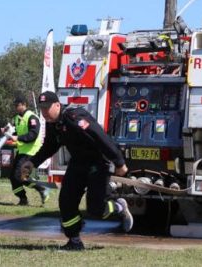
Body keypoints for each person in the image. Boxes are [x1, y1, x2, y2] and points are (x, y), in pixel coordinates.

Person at [27, 91, 133, 251]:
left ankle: (119, 207)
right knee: (66, 202)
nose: (44, 112)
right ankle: (74, 241)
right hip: (78, 163)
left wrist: (119, 162)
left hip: (98, 162)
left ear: (57, 105)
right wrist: (32, 163)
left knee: (96, 209)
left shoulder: (74, 117)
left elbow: (100, 136)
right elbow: (50, 146)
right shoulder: (53, 123)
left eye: (47, 108)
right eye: (41, 109)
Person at [7, 94, 50, 206]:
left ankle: (42, 189)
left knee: (21, 177)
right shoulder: (16, 118)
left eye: (18, 105)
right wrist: (7, 132)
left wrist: (18, 138)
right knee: (13, 177)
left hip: (31, 152)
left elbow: (33, 135)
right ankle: (23, 199)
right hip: (21, 151)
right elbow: (16, 132)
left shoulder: (32, 117)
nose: (16, 107)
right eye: (15, 105)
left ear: (24, 105)